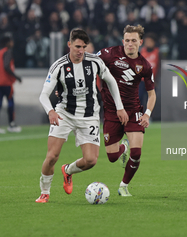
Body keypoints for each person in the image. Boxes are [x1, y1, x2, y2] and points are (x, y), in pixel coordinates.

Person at [36, 28, 128, 203]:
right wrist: (51, 111)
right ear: (69, 44)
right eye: (77, 46)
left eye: (84, 47)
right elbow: (43, 94)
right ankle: (44, 192)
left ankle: (68, 171)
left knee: (91, 160)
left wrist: (120, 107)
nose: (80, 51)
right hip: (64, 113)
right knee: (52, 156)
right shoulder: (59, 66)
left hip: (89, 115)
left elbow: (111, 81)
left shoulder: (94, 62)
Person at [97, 24, 156, 196]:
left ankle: (123, 186)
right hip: (111, 111)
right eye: (127, 40)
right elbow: (88, 65)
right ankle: (123, 147)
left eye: (134, 41)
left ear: (140, 42)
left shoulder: (144, 65)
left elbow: (152, 95)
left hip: (133, 111)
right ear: (123, 41)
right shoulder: (108, 54)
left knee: (136, 153)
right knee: (112, 157)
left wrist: (147, 114)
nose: (130, 44)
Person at [0, 36, 22, 133]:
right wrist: (16, 77)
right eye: (11, 41)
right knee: (10, 103)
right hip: (6, 82)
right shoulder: (7, 52)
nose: (12, 43)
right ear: (7, 43)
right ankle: (11, 124)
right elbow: (6, 66)